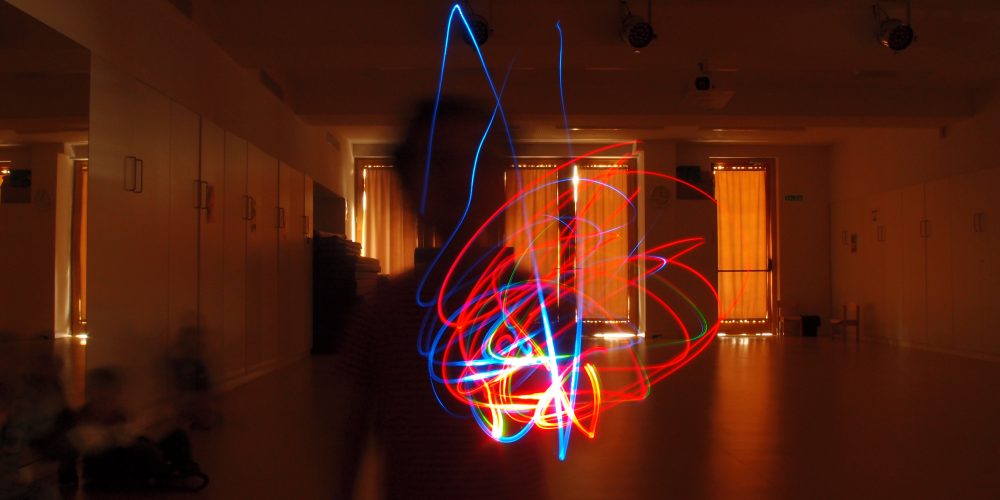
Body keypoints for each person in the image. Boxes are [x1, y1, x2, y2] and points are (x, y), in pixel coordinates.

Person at [334, 97, 546, 500]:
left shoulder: (531, 306)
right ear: (409, 188)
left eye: (480, 162)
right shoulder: (382, 315)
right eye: (442, 164)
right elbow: (350, 435)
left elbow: (544, 426)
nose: (463, 180)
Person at [69, 367, 208, 492]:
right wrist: (121, 436)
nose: (108, 404)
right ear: (90, 395)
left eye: (111, 398)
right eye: (102, 398)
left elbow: (133, 434)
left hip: (129, 452)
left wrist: (152, 431)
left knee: (176, 436)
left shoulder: (118, 416)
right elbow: (93, 444)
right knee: (142, 449)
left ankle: (186, 470)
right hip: (105, 466)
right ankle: (165, 477)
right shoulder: (83, 418)